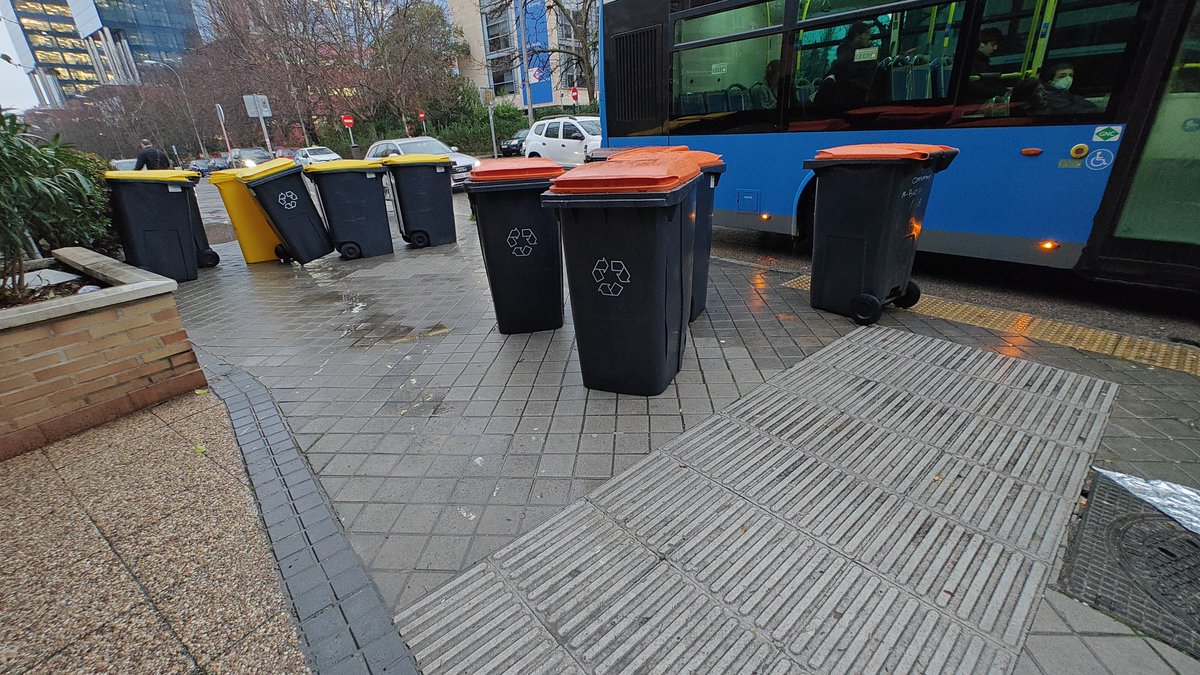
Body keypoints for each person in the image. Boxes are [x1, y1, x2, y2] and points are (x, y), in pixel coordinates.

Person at [829, 22, 878, 106]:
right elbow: (851, 81)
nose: (869, 37)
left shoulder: (858, 54)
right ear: (857, 36)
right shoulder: (849, 56)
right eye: (866, 34)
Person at [966, 27, 1007, 102]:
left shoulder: (982, 62)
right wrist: (1002, 92)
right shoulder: (970, 62)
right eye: (993, 44)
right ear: (982, 44)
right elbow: (976, 87)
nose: (995, 48)